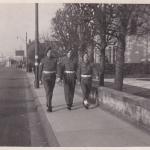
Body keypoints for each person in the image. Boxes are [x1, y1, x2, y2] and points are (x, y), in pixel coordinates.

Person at [39, 46, 57, 112]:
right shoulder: (43, 60)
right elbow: (40, 70)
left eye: (50, 52)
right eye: (48, 52)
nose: (50, 53)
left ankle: (48, 102)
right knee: (48, 91)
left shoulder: (55, 59)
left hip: (52, 77)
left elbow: (57, 68)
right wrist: (39, 79)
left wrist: (58, 77)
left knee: (51, 92)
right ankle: (50, 106)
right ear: (46, 53)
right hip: (45, 77)